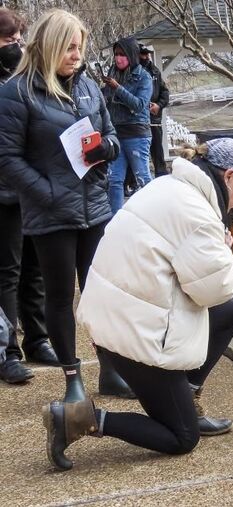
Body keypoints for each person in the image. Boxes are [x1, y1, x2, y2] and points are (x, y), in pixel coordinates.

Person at [42, 138, 233, 471]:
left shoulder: (169, 186)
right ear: (230, 176)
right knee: (182, 437)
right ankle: (80, 419)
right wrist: (224, 247)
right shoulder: (198, 215)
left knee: (228, 315)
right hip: (133, 336)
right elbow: (215, 289)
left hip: (117, 317)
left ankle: (186, 398)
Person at [0, 9, 134, 400]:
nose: (76, 55)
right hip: (52, 212)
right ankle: (72, 380)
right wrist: (46, 192)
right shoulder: (16, 92)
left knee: (99, 294)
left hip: (93, 205)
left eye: (80, 47)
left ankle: (110, 372)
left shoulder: (89, 88)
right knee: (59, 297)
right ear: (49, 45)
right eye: (69, 47)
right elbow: (7, 158)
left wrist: (107, 148)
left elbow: (110, 133)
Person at [0, 7, 59, 385]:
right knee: (7, 271)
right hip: (5, 190)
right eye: (9, 39)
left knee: (35, 269)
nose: (17, 46)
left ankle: (38, 338)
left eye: (19, 39)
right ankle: (8, 350)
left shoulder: (25, 79)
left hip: (32, 188)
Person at [103, 36, 153, 213]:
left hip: (137, 134)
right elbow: (106, 103)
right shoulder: (112, 74)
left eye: (122, 54)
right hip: (116, 134)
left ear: (132, 55)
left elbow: (139, 105)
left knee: (142, 177)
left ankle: (154, 215)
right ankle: (114, 222)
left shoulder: (144, 77)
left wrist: (118, 88)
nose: (118, 58)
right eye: (116, 54)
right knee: (114, 179)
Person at [139, 45, 170, 177]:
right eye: (144, 54)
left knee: (157, 148)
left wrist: (158, 105)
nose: (147, 57)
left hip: (155, 118)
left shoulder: (155, 71)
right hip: (138, 119)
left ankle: (161, 174)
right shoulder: (132, 71)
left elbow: (165, 92)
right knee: (139, 151)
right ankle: (134, 180)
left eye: (149, 54)